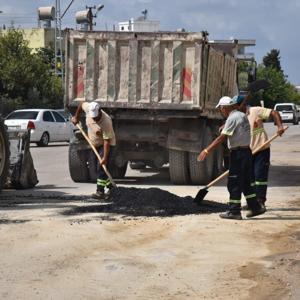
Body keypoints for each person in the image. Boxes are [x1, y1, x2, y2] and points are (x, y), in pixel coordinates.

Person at [198, 96, 265, 220]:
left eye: (221, 109)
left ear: (224, 108)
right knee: (246, 183)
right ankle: (255, 207)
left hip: (238, 154)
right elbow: (237, 128)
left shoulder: (232, 118)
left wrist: (206, 150)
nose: (221, 111)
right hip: (246, 152)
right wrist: (226, 126)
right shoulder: (241, 115)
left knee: (234, 183)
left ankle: (234, 211)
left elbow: (221, 138)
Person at [234, 95, 285, 208]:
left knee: (260, 177)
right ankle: (252, 202)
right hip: (248, 151)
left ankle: (260, 201)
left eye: (237, 106)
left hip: (261, 149)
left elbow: (274, 112)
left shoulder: (255, 110)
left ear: (243, 104)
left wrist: (280, 126)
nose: (236, 108)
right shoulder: (237, 116)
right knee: (249, 179)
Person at [72, 101, 116, 200]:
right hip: (95, 144)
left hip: (107, 145)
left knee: (101, 167)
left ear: (100, 111)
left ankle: (100, 192)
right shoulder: (89, 108)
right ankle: (111, 188)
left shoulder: (106, 122)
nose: (94, 119)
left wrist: (104, 157)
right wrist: (76, 117)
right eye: (93, 117)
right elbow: (81, 104)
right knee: (96, 168)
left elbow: (107, 141)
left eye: (96, 117)